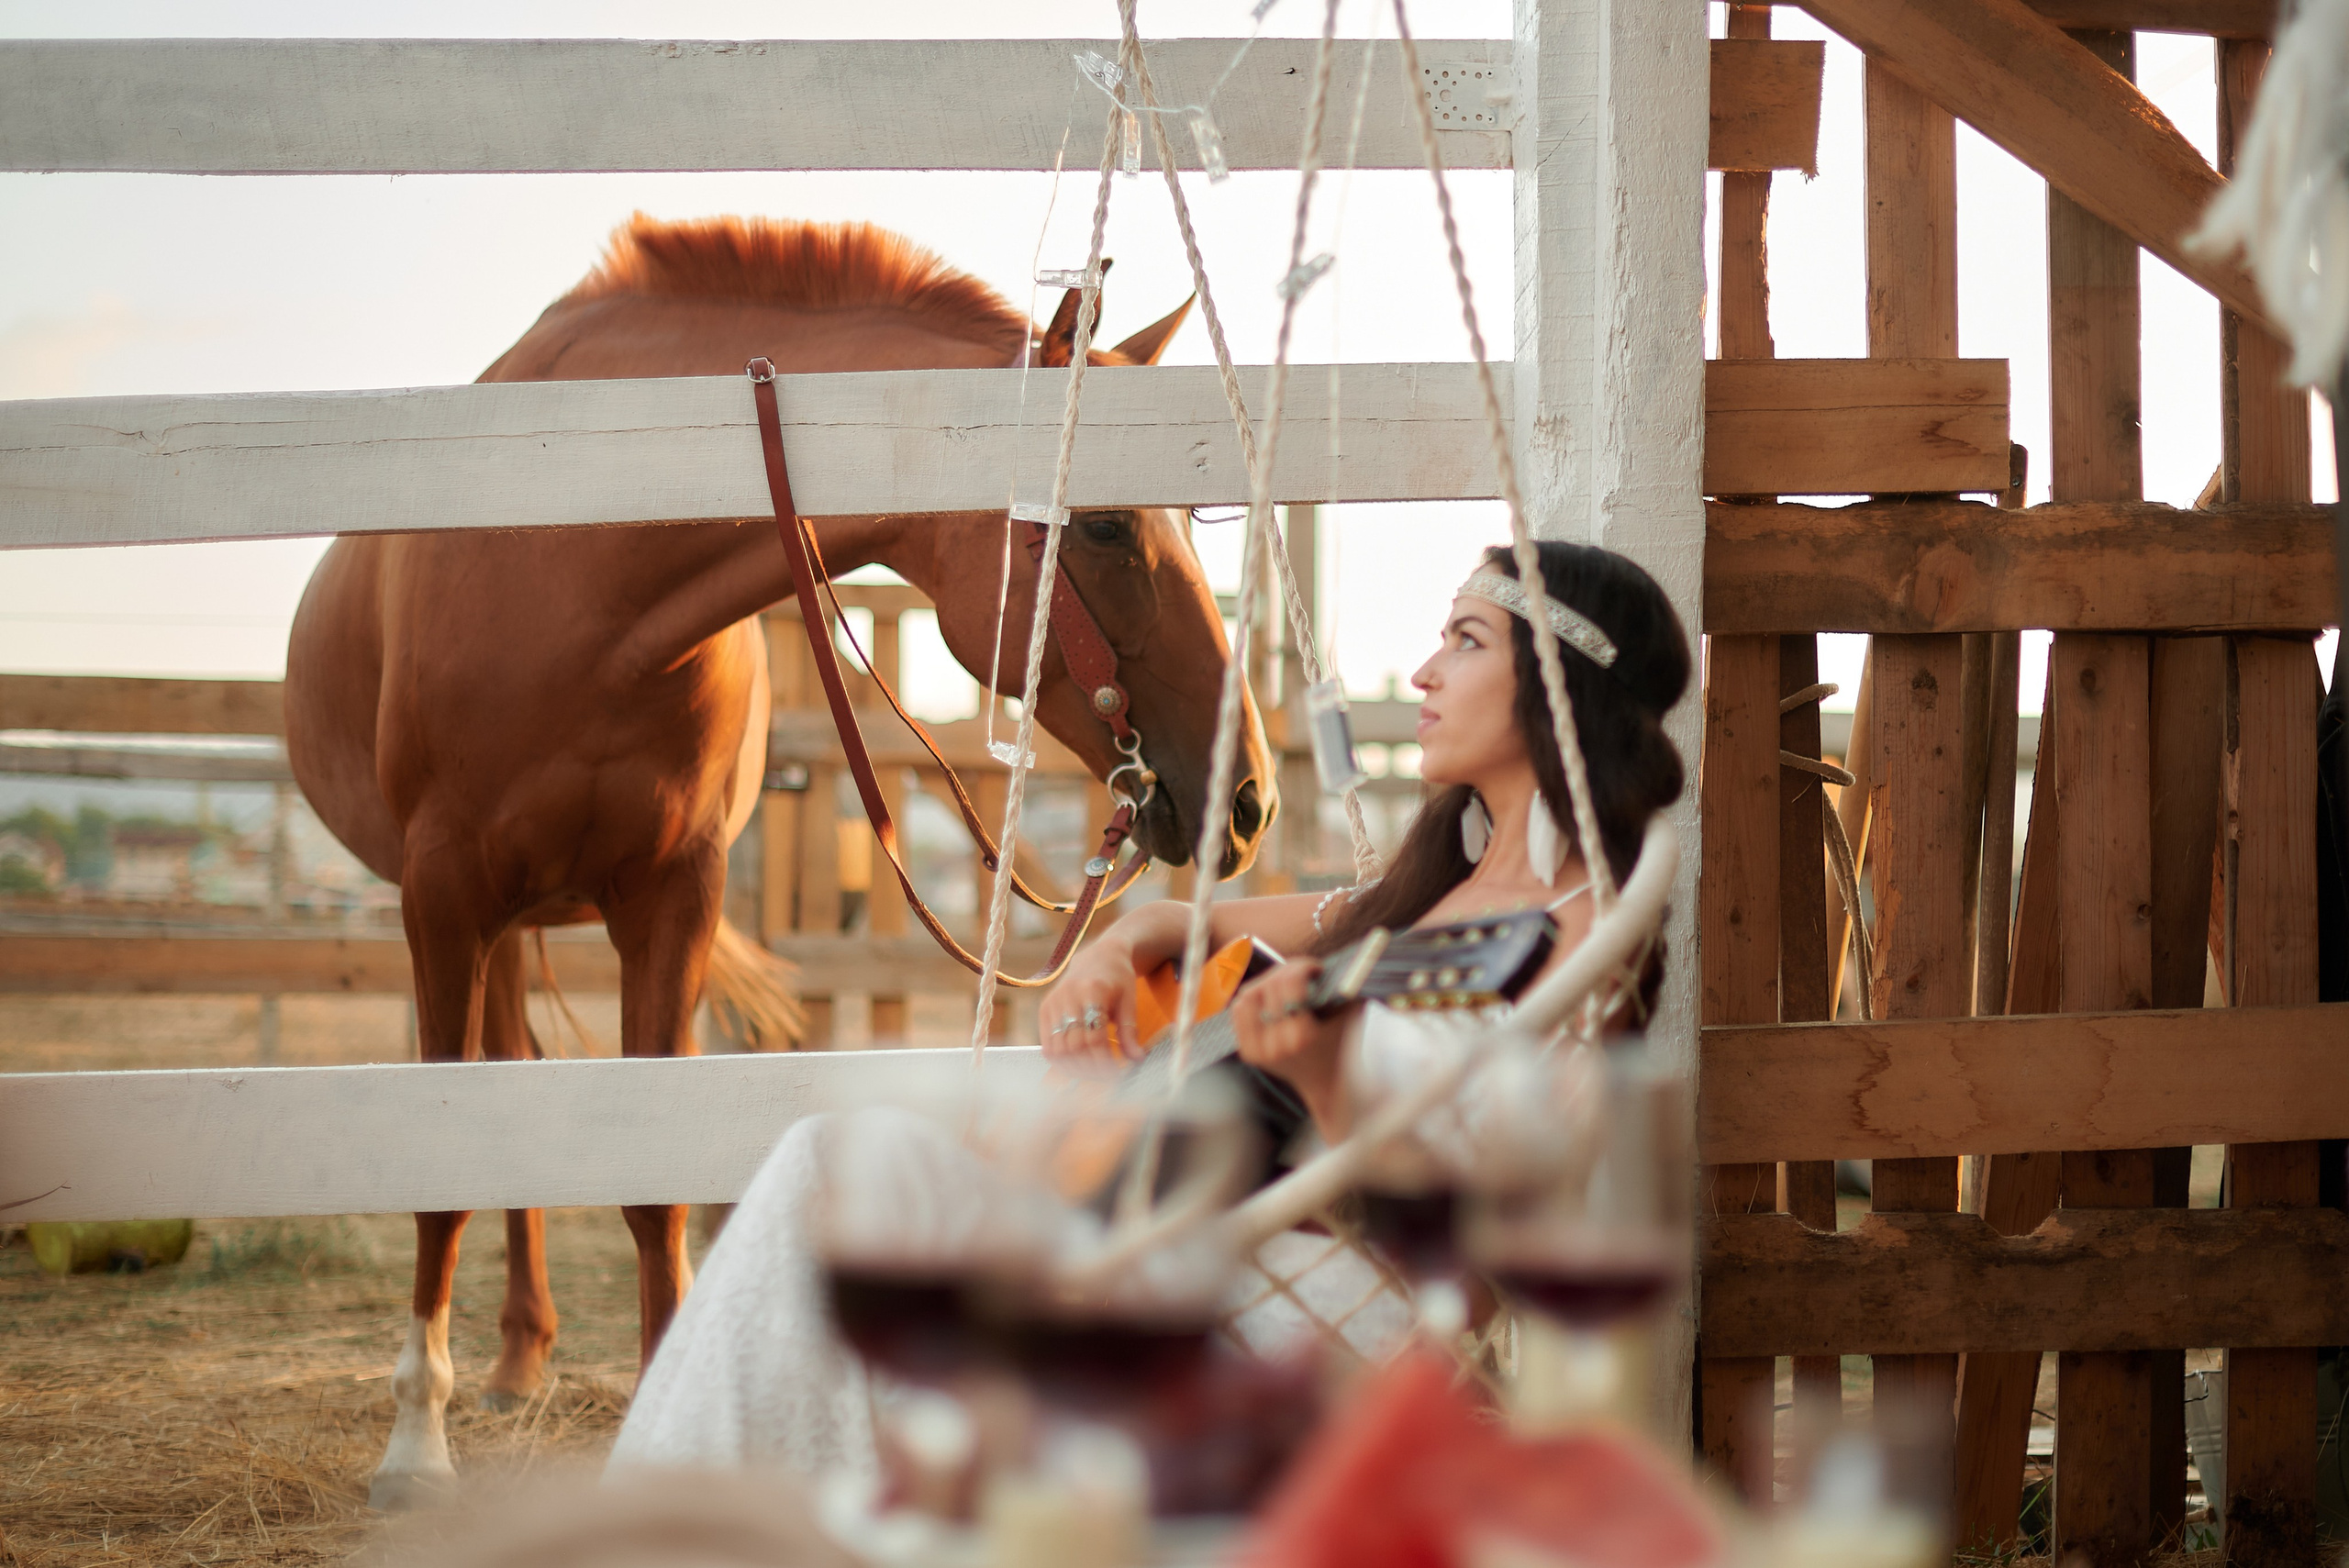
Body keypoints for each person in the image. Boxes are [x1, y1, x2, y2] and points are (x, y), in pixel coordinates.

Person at [604, 539, 1688, 1485]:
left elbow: (1503, 1197)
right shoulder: (1427, 893)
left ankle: (669, 1532)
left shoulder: (1581, 921)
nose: (1422, 670)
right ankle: (691, 1524)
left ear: (1555, 683)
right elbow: (1197, 914)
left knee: (841, 1170)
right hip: (1194, 1244)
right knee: (834, 1165)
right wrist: (1120, 947)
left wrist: (1319, 1080)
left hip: (1311, 1306)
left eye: (1464, 640)